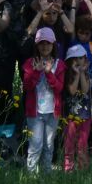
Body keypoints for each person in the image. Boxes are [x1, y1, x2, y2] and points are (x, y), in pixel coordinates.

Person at [22, 27, 63, 174]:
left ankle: (47, 174)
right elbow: (27, 86)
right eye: (41, 43)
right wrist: (37, 71)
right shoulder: (29, 63)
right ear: (37, 45)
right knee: (35, 145)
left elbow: (59, 88)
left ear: (53, 45)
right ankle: (31, 175)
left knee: (49, 145)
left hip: (53, 112)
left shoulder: (59, 64)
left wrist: (48, 73)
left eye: (48, 43)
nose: (45, 46)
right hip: (35, 113)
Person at [62, 45, 92, 172]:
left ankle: (82, 169)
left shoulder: (87, 75)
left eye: (81, 58)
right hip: (70, 117)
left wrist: (81, 73)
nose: (78, 61)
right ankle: (68, 168)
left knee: (82, 143)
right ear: (70, 61)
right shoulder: (67, 77)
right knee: (69, 143)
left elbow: (85, 90)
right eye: (75, 58)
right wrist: (76, 74)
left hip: (85, 116)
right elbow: (72, 91)